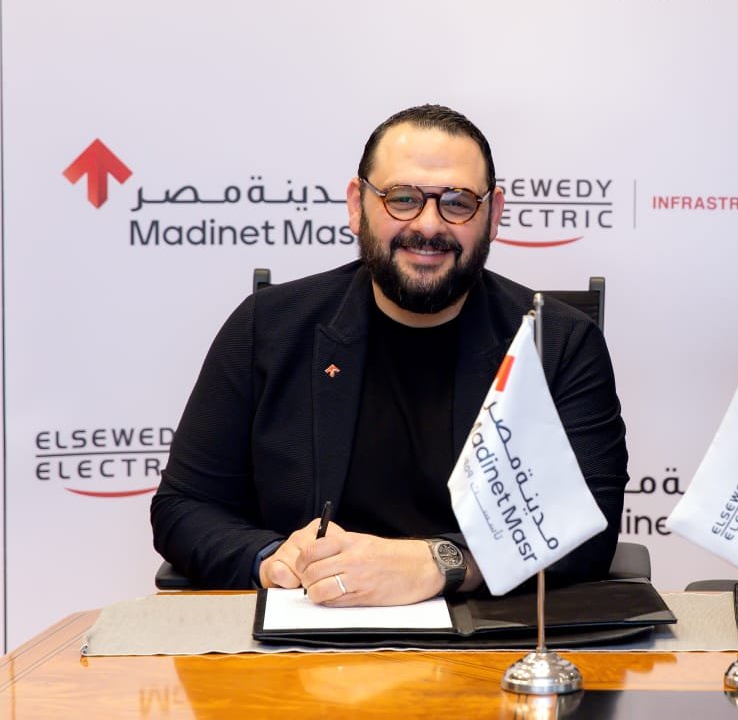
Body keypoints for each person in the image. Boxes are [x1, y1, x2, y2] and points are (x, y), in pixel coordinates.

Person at [151, 104, 628, 605]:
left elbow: (588, 530)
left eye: (458, 203)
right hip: (308, 623)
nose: (429, 225)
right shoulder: (266, 328)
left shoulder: (558, 343)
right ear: (357, 206)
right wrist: (270, 559)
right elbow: (185, 505)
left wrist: (441, 562)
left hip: (485, 631)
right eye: (402, 199)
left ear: (493, 215)